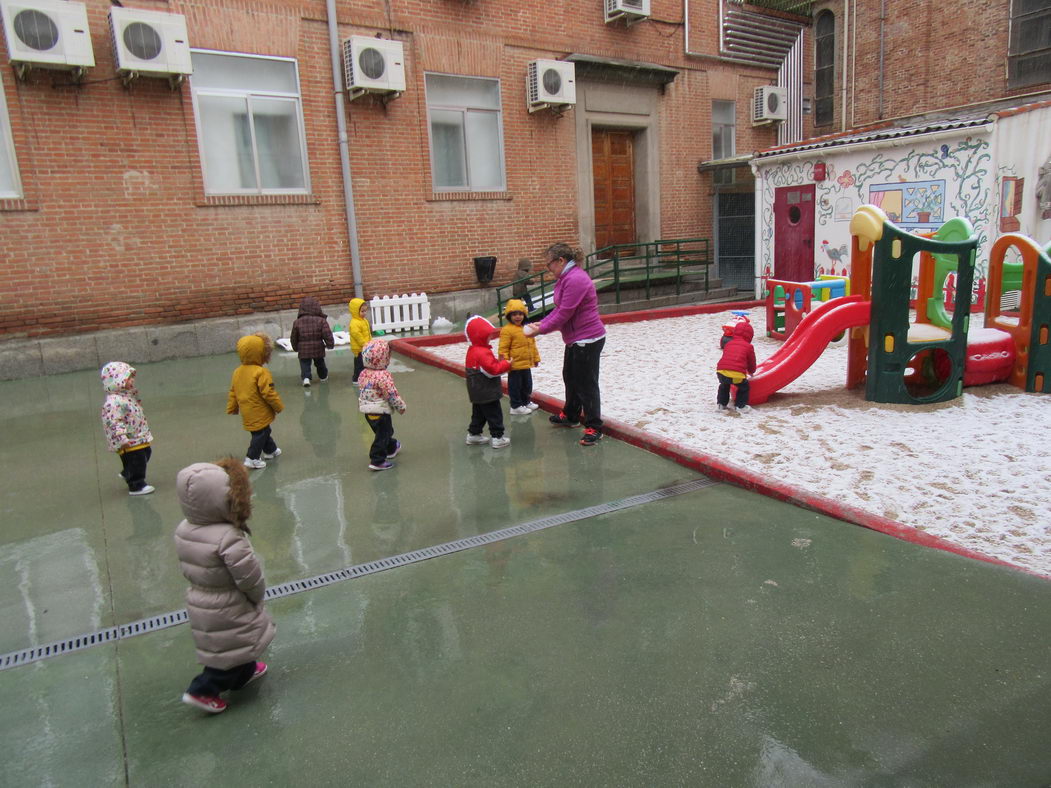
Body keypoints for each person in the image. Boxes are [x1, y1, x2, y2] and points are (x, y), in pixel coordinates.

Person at [175, 459, 275, 714]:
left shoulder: (185, 529)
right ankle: (202, 689)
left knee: (229, 644)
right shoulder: (228, 538)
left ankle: (245, 671)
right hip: (230, 601)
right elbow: (248, 576)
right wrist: (256, 596)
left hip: (201, 597)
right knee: (231, 645)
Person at [522, 243, 605, 446]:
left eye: (549, 264)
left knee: (586, 384)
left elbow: (564, 314)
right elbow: (559, 310)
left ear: (560, 261)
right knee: (570, 377)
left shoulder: (575, 279)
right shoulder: (565, 279)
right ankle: (571, 415)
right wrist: (541, 323)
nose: (548, 269)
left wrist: (540, 330)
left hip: (587, 339)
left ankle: (594, 426)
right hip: (575, 339)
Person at [227, 333, 285, 469]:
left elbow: (233, 391)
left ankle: (271, 450)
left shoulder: (237, 372)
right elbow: (268, 393)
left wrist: (233, 407)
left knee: (263, 430)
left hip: (247, 410)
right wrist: (278, 406)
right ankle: (252, 457)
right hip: (259, 409)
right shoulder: (261, 372)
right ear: (262, 353)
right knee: (261, 433)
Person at [100, 361, 155, 495]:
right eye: (128, 378)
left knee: (146, 453)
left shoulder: (126, 396)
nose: (132, 380)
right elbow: (113, 421)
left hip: (138, 435)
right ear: (117, 381)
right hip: (129, 439)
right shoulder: (113, 402)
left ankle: (128, 471)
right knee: (137, 459)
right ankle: (136, 484)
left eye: (132, 377)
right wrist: (121, 438)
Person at [358, 338, 406, 471]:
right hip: (380, 411)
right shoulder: (383, 376)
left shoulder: (363, 373)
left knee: (384, 432)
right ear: (384, 357)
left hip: (368, 411)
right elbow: (391, 394)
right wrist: (400, 406)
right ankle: (377, 459)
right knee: (383, 435)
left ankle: (391, 447)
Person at [465, 315, 512, 448]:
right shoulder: (483, 352)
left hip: (476, 391)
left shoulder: (472, 350)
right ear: (480, 335)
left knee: (479, 413)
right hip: (487, 391)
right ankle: (498, 436)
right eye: (487, 335)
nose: (490, 337)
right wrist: (506, 364)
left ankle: (474, 434)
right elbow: (492, 370)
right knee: (494, 413)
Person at [498, 299, 541, 415]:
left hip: (526, 364)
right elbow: (503, 348)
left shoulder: (526, 328)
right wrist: (504, 362)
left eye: (520, 314)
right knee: (515, 386)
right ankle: (516, 406)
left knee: (527, 384)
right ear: (509, 316)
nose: (518, 317)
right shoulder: (507, 330)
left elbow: (532, 345)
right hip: (514, 365)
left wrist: (536, 358)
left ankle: (526, 401)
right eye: (514, 314)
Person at [290, 296, 334, 387]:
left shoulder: (297, 322)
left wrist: (295, 347)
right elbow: (327, 334)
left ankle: (306, 378)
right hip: (318, 348)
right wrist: (330, 344)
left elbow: (294, 337)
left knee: (305, 364)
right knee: (320, 363)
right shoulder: (321, 321)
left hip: (303, 349)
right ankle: (323, 376)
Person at [716, 320, 757, 413]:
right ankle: (740, 406)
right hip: (736, 374)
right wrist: (751, 371)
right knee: (743, 387)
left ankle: (721, 404)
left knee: (724, 386)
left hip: (721, 371)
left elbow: (727, 357)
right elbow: (751, 362)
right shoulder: (748, 347)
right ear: (750, 336)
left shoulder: (728, 343)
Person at [348, 297, 372, 385]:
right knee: (359, 365)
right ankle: (356, 379)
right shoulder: (354, 322)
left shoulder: (363, 320)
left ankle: (362, 377)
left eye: (365, 311)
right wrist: (364, 343)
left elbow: (367, 333)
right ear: (355, 311)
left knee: (364, 364)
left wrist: (370, 342)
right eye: (362, 311)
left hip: (365, 347)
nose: (364, 313)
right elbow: (357, 335)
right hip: (359, 348)